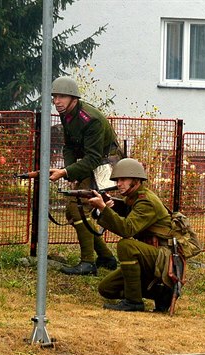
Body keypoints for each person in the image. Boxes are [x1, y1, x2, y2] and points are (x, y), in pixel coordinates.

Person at [89, 158, 197, 312]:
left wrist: (104, 209)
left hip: (165, 256)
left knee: (126, 245)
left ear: (136, 180)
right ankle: (161, 293)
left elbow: (127, 229)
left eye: (123, 179)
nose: (119, 183)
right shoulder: (132, 199)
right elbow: (125, 217)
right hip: (151, 253)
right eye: (118, 180)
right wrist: (102, 210)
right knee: (106, 288)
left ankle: (133, 302)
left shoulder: (146, 201)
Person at [50, 76, 119, 275]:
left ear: (74, 98)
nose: (57, 101)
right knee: (73, 212)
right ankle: (106, 257)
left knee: (77, 207)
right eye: (54, 97)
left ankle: (88, 263)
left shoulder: (92, 120)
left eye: (62, 97)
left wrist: (66, 171)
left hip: (105, 163)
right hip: (88, 163)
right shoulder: (67, 113)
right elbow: (69, 146)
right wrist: (70, 171)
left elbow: (95, 158)